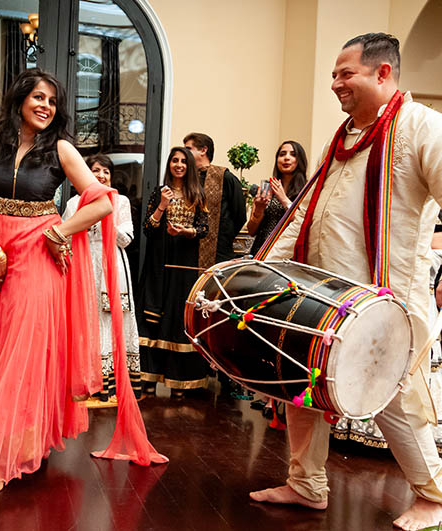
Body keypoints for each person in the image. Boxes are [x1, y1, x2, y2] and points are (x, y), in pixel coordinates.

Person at [249, 33, 442, 531]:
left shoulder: (421, 127)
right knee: (300, 385)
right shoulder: (340, 139)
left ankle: (433, 497)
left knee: (390, 398)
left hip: (384, 299)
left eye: (345, 73)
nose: (334, 83)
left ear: (382, 73)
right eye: (334, 74)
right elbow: (306, 214)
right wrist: (267, 265)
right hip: (321, 295)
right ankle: (306, 484)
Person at [0, 68, 165, 496]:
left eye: (52, 101)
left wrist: (59, 232)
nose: (46, 106)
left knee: (23, 350)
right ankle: (16, 435)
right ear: (20, 99)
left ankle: (1, 454)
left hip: (38, 257)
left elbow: (104, 201)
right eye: (39, 98)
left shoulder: (61, 149)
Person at [63, 154, 141, 403]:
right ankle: (85, 380)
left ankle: (113, 383)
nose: (101, 175)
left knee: (110, 319)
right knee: (84, 318)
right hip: (83, 265)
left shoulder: (121, 202)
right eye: (95, 170)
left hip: (112, 266)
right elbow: (64, 236)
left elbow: (127, 239)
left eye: (105, 171)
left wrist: (106, 217)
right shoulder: (74, 203)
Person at [137, 147, 209, 393]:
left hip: (183, 262)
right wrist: (162, 205)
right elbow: (148, 228)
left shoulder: (197, 194)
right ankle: (148, 378)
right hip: (159, 261)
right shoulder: (160, 192)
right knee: (153, 316)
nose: (178, 165)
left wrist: (186, 231)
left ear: (189, 166)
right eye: (174, 160)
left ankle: (179, 381)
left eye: (183, 161)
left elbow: (204, 229)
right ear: (169, 165)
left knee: (177, 316)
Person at [183, 132, 246, 268]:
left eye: (188, 149)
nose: (184, 154)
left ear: (203, 150)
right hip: (188, 249)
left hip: (218, 250)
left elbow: (239, 215)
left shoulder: (224, 177)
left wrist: (223, 236)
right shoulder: (184, 178)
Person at [247, 141, 308, 256]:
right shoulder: (266, 189)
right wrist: (259, 210)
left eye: (293, 154)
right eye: (282, 154)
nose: (286, 158)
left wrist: (284, 199)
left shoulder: (307, 191)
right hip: (262, 252)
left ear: (300, 160)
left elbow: (303, 225)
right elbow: (251, 231)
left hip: (288, 255)